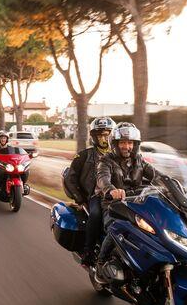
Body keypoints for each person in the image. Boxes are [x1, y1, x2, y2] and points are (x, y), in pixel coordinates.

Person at [94, 122, 161, 281]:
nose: (126, 146)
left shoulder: (139, 160)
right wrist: (111, 190)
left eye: (130, 143)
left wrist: (174, 184)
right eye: (123, 142)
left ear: (135, 145)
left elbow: (157, 175)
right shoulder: (106, 161)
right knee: (116, 227)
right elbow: (102, 178)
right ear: (115, 144)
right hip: (113, 205)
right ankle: (101, 263)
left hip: (136, 204)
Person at [64, 117, 115, 267]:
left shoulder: (117, 155)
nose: (104, 139)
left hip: (118, 195)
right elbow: (70, 178)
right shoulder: (84, 155)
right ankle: (89, 251)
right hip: (94, 195)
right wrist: (80, 199)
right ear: (94, 137)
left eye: (107, 135)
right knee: (96, 214)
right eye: (100, 135)